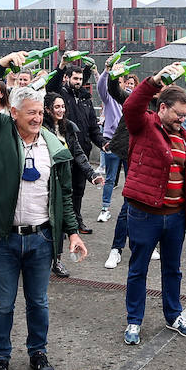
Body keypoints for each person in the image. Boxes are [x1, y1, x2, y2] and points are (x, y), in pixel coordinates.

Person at [0, 53, 85, 370]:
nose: (37, 117)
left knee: (39, 302)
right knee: (2, 304)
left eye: (40, 112)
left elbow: (62, 195)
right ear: (14, 112)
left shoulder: (52, 144)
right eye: (30, 112)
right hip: (3, 238)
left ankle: (38, 353)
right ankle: (0, 358)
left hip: (41, 238)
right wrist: (1, 65)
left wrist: (73, 233)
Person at [120, 63, 186, 344]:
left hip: (176, 217)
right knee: (138, 269)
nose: (183, 120)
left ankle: (173, 314)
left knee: (172, 269)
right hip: (144, 214)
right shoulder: (143, 125)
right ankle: (134, 321)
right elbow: (131, 106)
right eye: (179, 114)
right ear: (162, 108)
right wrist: (154, 81)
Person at [102, 70, 159, 270]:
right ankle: (116, 249)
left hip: (151, 160)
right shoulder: (136, 99)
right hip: (130, 154)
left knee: (150, 203)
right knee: (130, 202)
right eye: (160, 83)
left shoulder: (166, 108)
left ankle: (147, 244)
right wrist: (112, 75)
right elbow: (113, 91)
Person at [43, 91, 105, 276]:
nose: (61, 110)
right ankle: (39, 259)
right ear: (47, 109)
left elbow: (78, 153)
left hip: (64, 178)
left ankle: (57, 260)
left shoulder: (68, 128)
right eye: (57, 107)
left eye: (63, 106)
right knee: (46, 221)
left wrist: (92, 174)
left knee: (62, 220)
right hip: (45, 180)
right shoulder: (41, 128)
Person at [48, 59, 107, 236]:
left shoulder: (86, 99)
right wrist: (61, 67)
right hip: (62, 152)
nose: (78, 82)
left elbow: (93, 127)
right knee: (63, 188)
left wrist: (102, 143)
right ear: (67, 78)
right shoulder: (61, 95)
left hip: (82, 150)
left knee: (79, 189)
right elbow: (52, 86)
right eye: (75, 78)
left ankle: (76, 220)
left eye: (81, 79)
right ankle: (62, 223)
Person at [94, 59, 127, 223]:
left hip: (129, 142)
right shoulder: (109, 98)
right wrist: (107, 70)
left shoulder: (131, 98)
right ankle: (105, 208)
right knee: (110, 177)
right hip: (112, 140)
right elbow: (101, 87)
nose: (117, 83)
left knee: (132, 178)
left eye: (120, 80)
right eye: (115, 80)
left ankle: (131, 209)